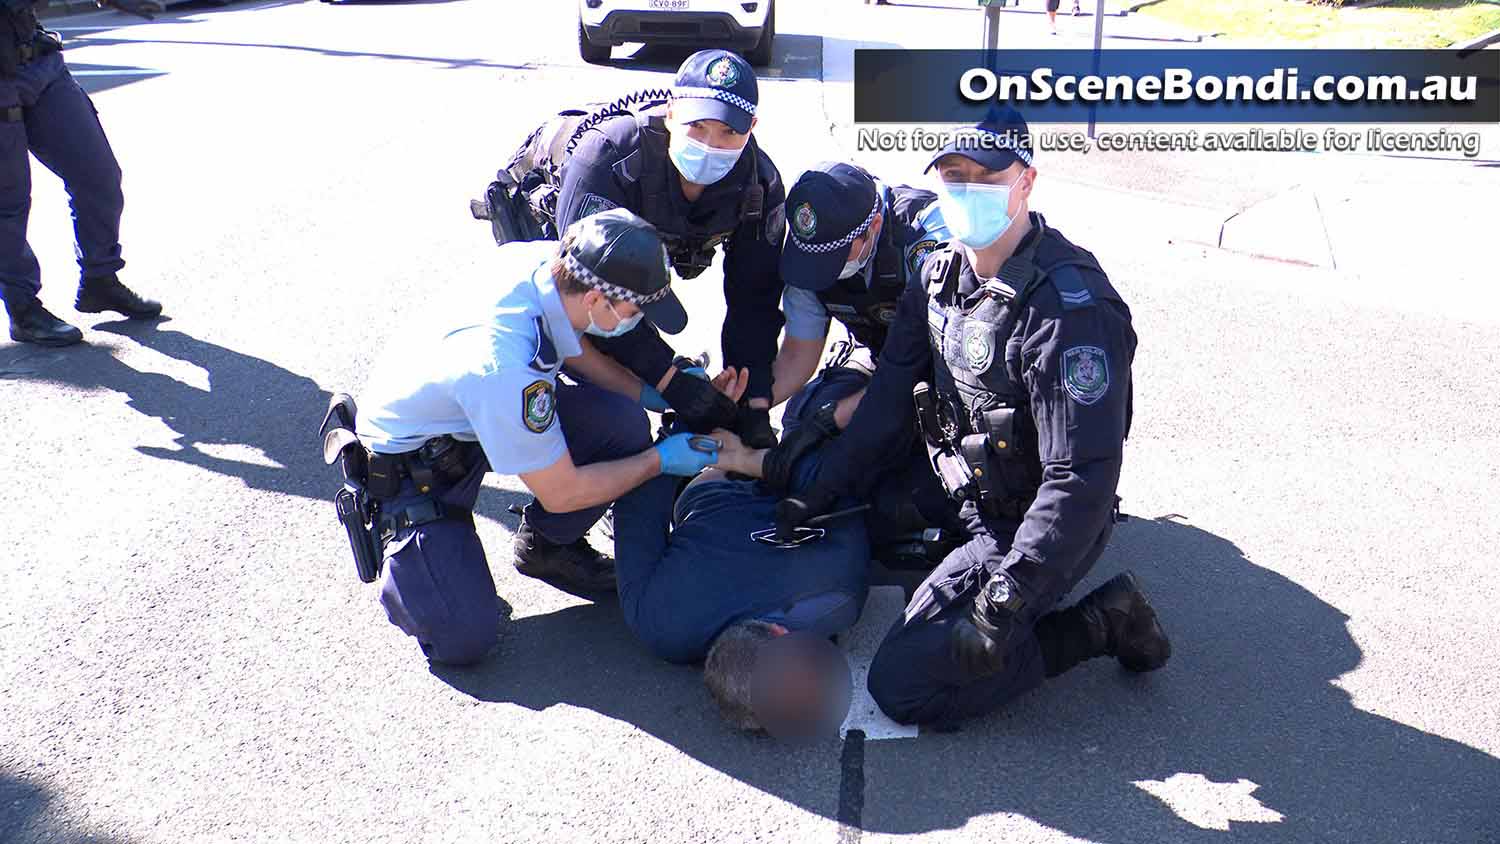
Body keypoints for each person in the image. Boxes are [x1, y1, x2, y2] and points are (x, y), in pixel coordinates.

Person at [777, 110, 1171, 727]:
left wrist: (1005, 601)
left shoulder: (1069, 313)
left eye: (987, 177)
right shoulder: (938, 276)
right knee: (858, 521)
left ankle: (1101, 623)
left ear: (1026, 183)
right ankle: (958, 568)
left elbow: (1080, 481)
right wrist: (818, 490)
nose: (967, 192)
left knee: (903, 685)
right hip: (963, 485)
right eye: (954, 176)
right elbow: (886, 402)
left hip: (1029, 521)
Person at [347, 209, 731, 665]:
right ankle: (421, 569)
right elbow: (564, 492)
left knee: (623, 425)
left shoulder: (551, 264)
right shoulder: (506, 367)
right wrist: (660, 461)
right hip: (417, 462)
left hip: (469, 411)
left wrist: (650, 395)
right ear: (596, 300)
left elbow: (574, 346)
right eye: (634, 310)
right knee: (465, 638)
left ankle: (547, 548)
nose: (638, 320)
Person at [552, 49, 787, 449]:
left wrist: (753, 402)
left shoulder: (759, 184)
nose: (711, 145)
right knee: (599, 400)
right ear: (672, 110)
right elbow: (590, 293)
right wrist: (669, 380)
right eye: (698, 126)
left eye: (730, 132)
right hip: (564, 255)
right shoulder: (609, 158)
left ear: (753, 127)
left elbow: (755, 298)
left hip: (638, 260)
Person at [611, 423, 867, 738]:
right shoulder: (660, 624)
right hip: (713, 490)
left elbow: (838, 477)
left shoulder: (838, 597)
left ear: (780, 630)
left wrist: (752, 460)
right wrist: (685, 430)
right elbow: (635, 503)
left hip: (744, 482)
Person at [760, 161, 961, 547]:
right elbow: (798, 356)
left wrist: (835, 417)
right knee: (802, 420)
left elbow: (930, 367)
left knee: (896, 485)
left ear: (873, 227)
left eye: (831, 259)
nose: (823, 272)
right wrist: (748, 405)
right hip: (880, 356)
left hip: (947, 370)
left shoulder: (931, 240)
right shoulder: (813, 250)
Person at [2, 0, 161, 347]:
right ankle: (23, 309)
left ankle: (99, 279)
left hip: (38, 61)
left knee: (98, 176)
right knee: (8, 205)